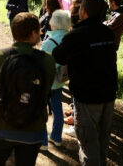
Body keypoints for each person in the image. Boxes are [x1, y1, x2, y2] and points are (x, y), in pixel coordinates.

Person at [52, 0, 117, 166]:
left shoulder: (77, 35)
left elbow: (59, 56)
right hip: (109, 94)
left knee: (88, 144)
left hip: (87, 96)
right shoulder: (108, 33)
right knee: (102, 141)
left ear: (84, 11)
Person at [0, 13, 55, 166]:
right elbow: (47, 86)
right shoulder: (47, 61)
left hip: (1, 126)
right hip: (33, 127)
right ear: (32, 33)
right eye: (39, 30)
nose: (41, 33)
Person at [40, 10, 71, 150]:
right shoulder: (69, 39)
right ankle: (56, 137)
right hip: (60, 79)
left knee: (41, 111)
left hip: (46, 81)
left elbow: (40, 62)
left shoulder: (49, 42)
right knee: (58, 109)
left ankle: (42, 142)